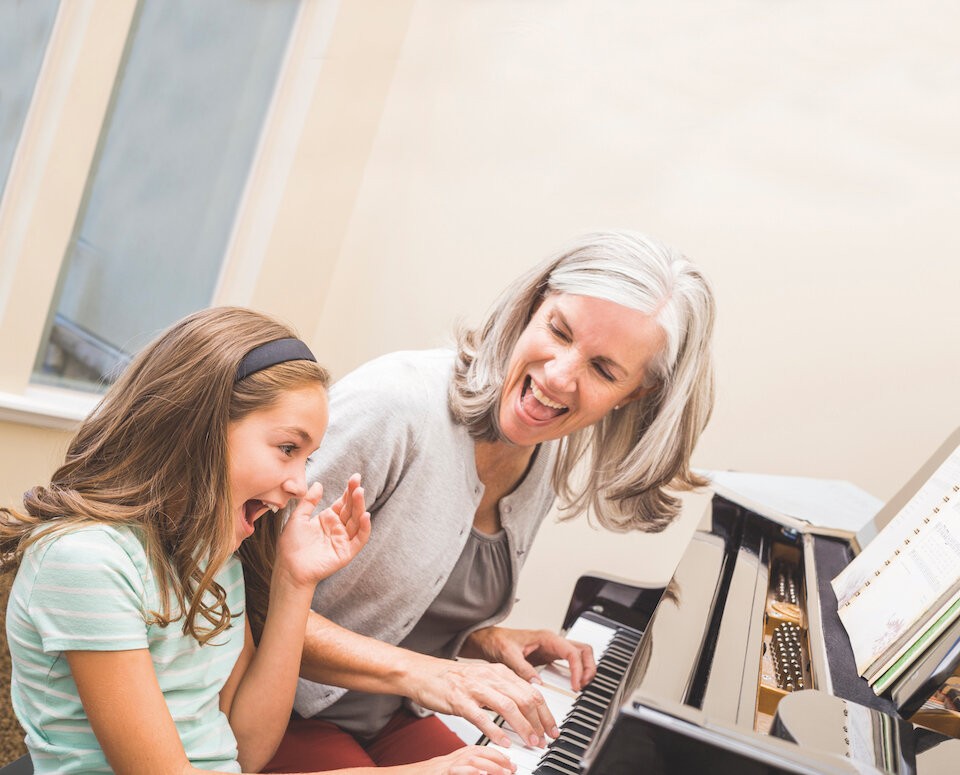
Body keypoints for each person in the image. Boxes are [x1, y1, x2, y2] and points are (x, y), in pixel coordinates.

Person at [240, 230, 717, 772]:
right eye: (558, 331)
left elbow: (398, 604)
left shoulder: (542, 450)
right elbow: (242, 597)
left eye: (604, 370)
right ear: (531, 308)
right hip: (275, 710)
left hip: (385, 715)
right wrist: (430, 674)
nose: (559, 377)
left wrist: (481, 641)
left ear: (635, 394)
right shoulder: (396, 405)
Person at [0, 307, 515, 775]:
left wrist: (295, 582)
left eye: (305, 458)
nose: (298, 484)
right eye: (286, 448)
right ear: (198, 427)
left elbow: (244, 749)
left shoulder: (215, 555)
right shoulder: (85, 562)